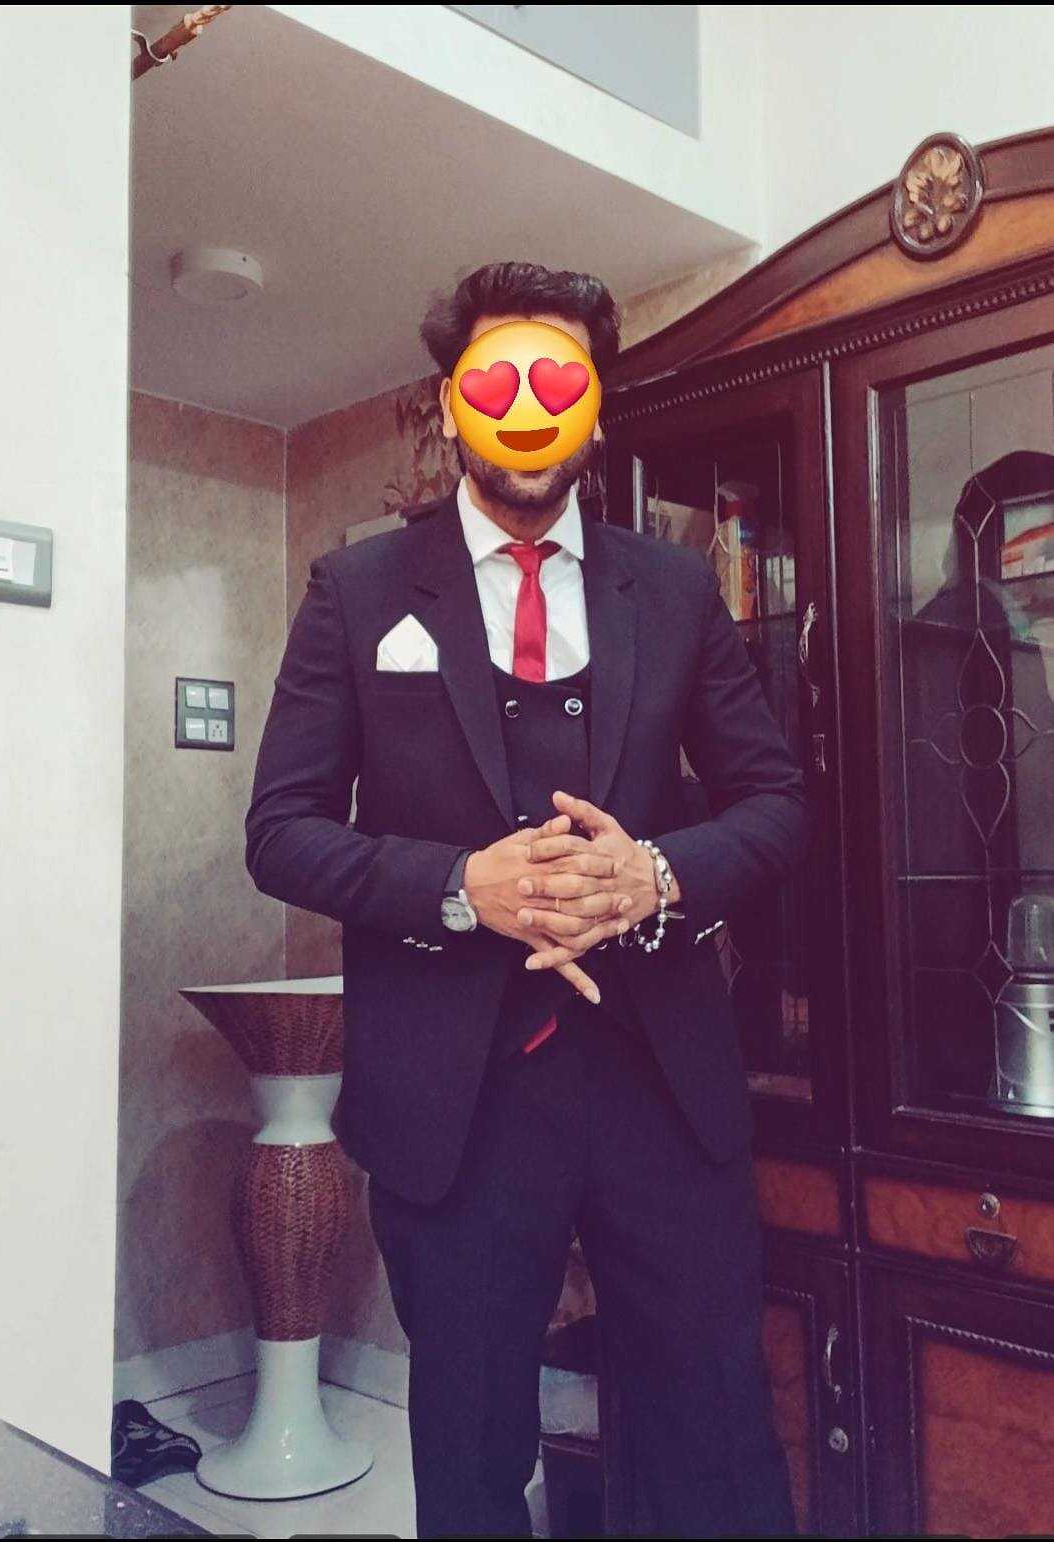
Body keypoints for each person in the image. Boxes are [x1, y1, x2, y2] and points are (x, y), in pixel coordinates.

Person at [245, 261, 809, 1538]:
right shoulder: (358, 590)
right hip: (459, 1103)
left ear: (596, 411)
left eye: (560, 382)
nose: (527, 409)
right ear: (452, 405)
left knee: (718, 1443)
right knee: (472, 1461)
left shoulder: (674, 588)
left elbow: (776, 802)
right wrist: (457, 887)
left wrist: (657, 872)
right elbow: (279, 833)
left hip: (662, 1086)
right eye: (495, 383)